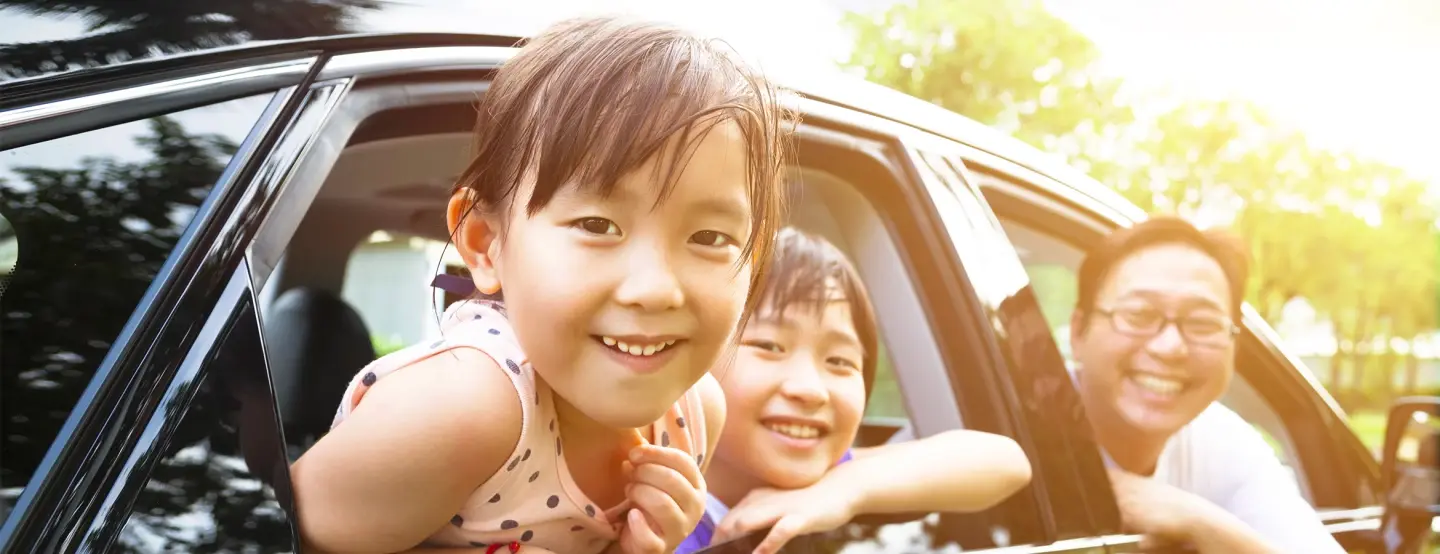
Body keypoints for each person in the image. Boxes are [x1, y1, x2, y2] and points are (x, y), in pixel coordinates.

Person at [289, 15, 792, 554]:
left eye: (711, 236)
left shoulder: (694, 413)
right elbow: (258, 535)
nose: (656, 289)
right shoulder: (465, 410)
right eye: (598, 226)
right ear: (485, 242)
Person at [678, 228, 1034, 554]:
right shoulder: (644, 514)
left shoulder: (830, 475)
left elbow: (1007, 461)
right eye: (769, 346)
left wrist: (846, 490)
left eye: (839, 361)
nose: (810, 390)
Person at [1068, 216, 1345, 553]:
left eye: (1202, 323)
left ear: (1234, 346)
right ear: (1078, 332)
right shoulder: (1013, 433)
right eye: (1139, 315)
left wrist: (1200, 524)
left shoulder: (1222, 441)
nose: (1169, 347)